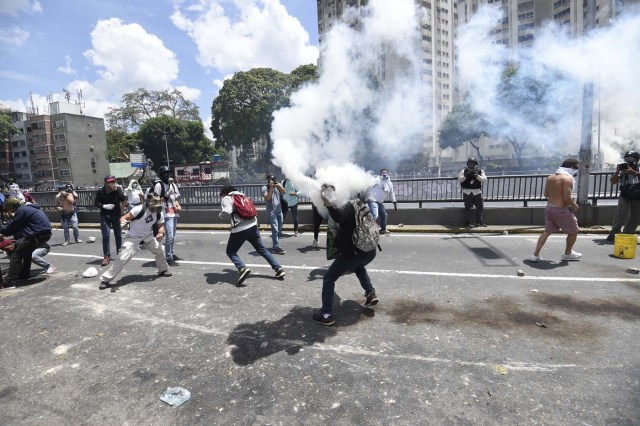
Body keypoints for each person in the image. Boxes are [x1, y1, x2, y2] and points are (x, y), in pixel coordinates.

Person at [313, 184, 378, 326]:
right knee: (359, 267)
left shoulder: (346, 207)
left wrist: (328, 202)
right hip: (370, 250)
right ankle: (370, 292)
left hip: (354, 252)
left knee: (329, 278)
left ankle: (326, 314)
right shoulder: (360, 203)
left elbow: (338, 215)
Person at [99, 193, 172, 290]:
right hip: (133, 237)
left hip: (147, 236)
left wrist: (161, 233)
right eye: (154, 202)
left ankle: (163, 270)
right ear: (148, 202)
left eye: (158, 202)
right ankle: (106, 279)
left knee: (160, 249)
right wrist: (123, 222)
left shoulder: (159, 213)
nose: (157, 205)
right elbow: (124, 217)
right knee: (122, 258)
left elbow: (161, 226)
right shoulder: (139, 209)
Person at [219, 185, 285, 286]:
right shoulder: (243, 196)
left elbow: (227, 211)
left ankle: (242, 268)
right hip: (253, 227)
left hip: (240, 230)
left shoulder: (227, 198)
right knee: (262, 249)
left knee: (231, 251)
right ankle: (278, 268)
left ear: (224, 192)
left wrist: (220, 215)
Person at [529, 158, 581, 262]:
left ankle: (535, 255)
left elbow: (546, 194)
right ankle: (568, 253)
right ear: (571, 167)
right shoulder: (567, 179)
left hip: (549, 208)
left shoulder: (551, 177)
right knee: (574, 231)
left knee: (547, 231)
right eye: (577, 168)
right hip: (560, 209)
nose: (577, 170)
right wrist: (574, 205)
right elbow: (567, 198)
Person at [0, 198, 53, 287]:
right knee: (26, 251)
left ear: (14, 206)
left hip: (35, 235)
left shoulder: (22, 210)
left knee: (16, 256)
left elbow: (13, 226)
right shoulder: (30, 208)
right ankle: (25, 274)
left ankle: (9, 281)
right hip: (44, 234)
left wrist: (3, 231)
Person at [148, 166, 182, 266]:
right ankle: (168, 257)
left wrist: (178, 205)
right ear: (161, 175)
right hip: (164, 213)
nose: (167, 175)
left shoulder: (173, 185)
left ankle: (171, 253)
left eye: (168, 173)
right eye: (165, 173)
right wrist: (166, 195)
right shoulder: (159, 185)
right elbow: (155, 201)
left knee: (173, 236)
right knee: (169, 236)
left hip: (173, 212)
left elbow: (177, 197)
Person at [606, 151, 640, 242]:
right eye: (627, 159)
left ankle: (628, 234)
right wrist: (618, 171)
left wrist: (634, 172)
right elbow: (613, 182)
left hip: (638, 195)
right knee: (620, 214)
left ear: (637, 160)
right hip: (625, 194)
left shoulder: (638, 168)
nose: (629, 161)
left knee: (635, 216)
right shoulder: (623, 169)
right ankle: (614, 233)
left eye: (632, 159)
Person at [94, 175, 126, 266]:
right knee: (106, 235)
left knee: (118, 235)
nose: (111, 183)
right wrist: (104, 206)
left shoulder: (117, 189)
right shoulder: (101, 191)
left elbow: (123, 199)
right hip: (105, 215)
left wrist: (116, 190)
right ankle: (106, 256)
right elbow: (96, 202)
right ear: (105, 183)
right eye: (109, 182)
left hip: (116, 215)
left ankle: (119, 254)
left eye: (113, 181)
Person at [365, 168, 397, 235]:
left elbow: (392, 193)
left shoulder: (389, 183)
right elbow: (368, 185)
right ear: (380, 174)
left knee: (384, 215)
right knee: (375, 215)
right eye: (383, 173)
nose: (384, 174)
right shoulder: (377, 179)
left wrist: (394, 202)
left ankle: (383, 229)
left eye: (385, 172)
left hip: (379, 202)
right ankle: (369, 229)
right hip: (372, 200)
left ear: (388, 174)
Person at [458, 157, 488, 227]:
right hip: (467, 192)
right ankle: (467, 223)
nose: (471, 165)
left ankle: (479, 222)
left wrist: (477, 176)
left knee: (480, 207)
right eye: (470, 163)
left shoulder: (480, 171)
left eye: (473, 163)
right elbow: (460, 180)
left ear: (476, 164)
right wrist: (466, 175)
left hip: (477, 192)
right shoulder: (464, 171)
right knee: (467, 208)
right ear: (467, 164)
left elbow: (484, 179)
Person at [262, 174, 286, 254]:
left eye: (274, 179)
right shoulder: (264, 188)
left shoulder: (277, 186)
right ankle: (276, 247)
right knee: (275, 230)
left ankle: (276, 244)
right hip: (271, 212)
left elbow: (284, 192)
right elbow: (267, 198)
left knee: (279, 229)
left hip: (279, 211)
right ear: (268, 180)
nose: (274, 180)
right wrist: (271, 188)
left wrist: (279, 186)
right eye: (272, 179)